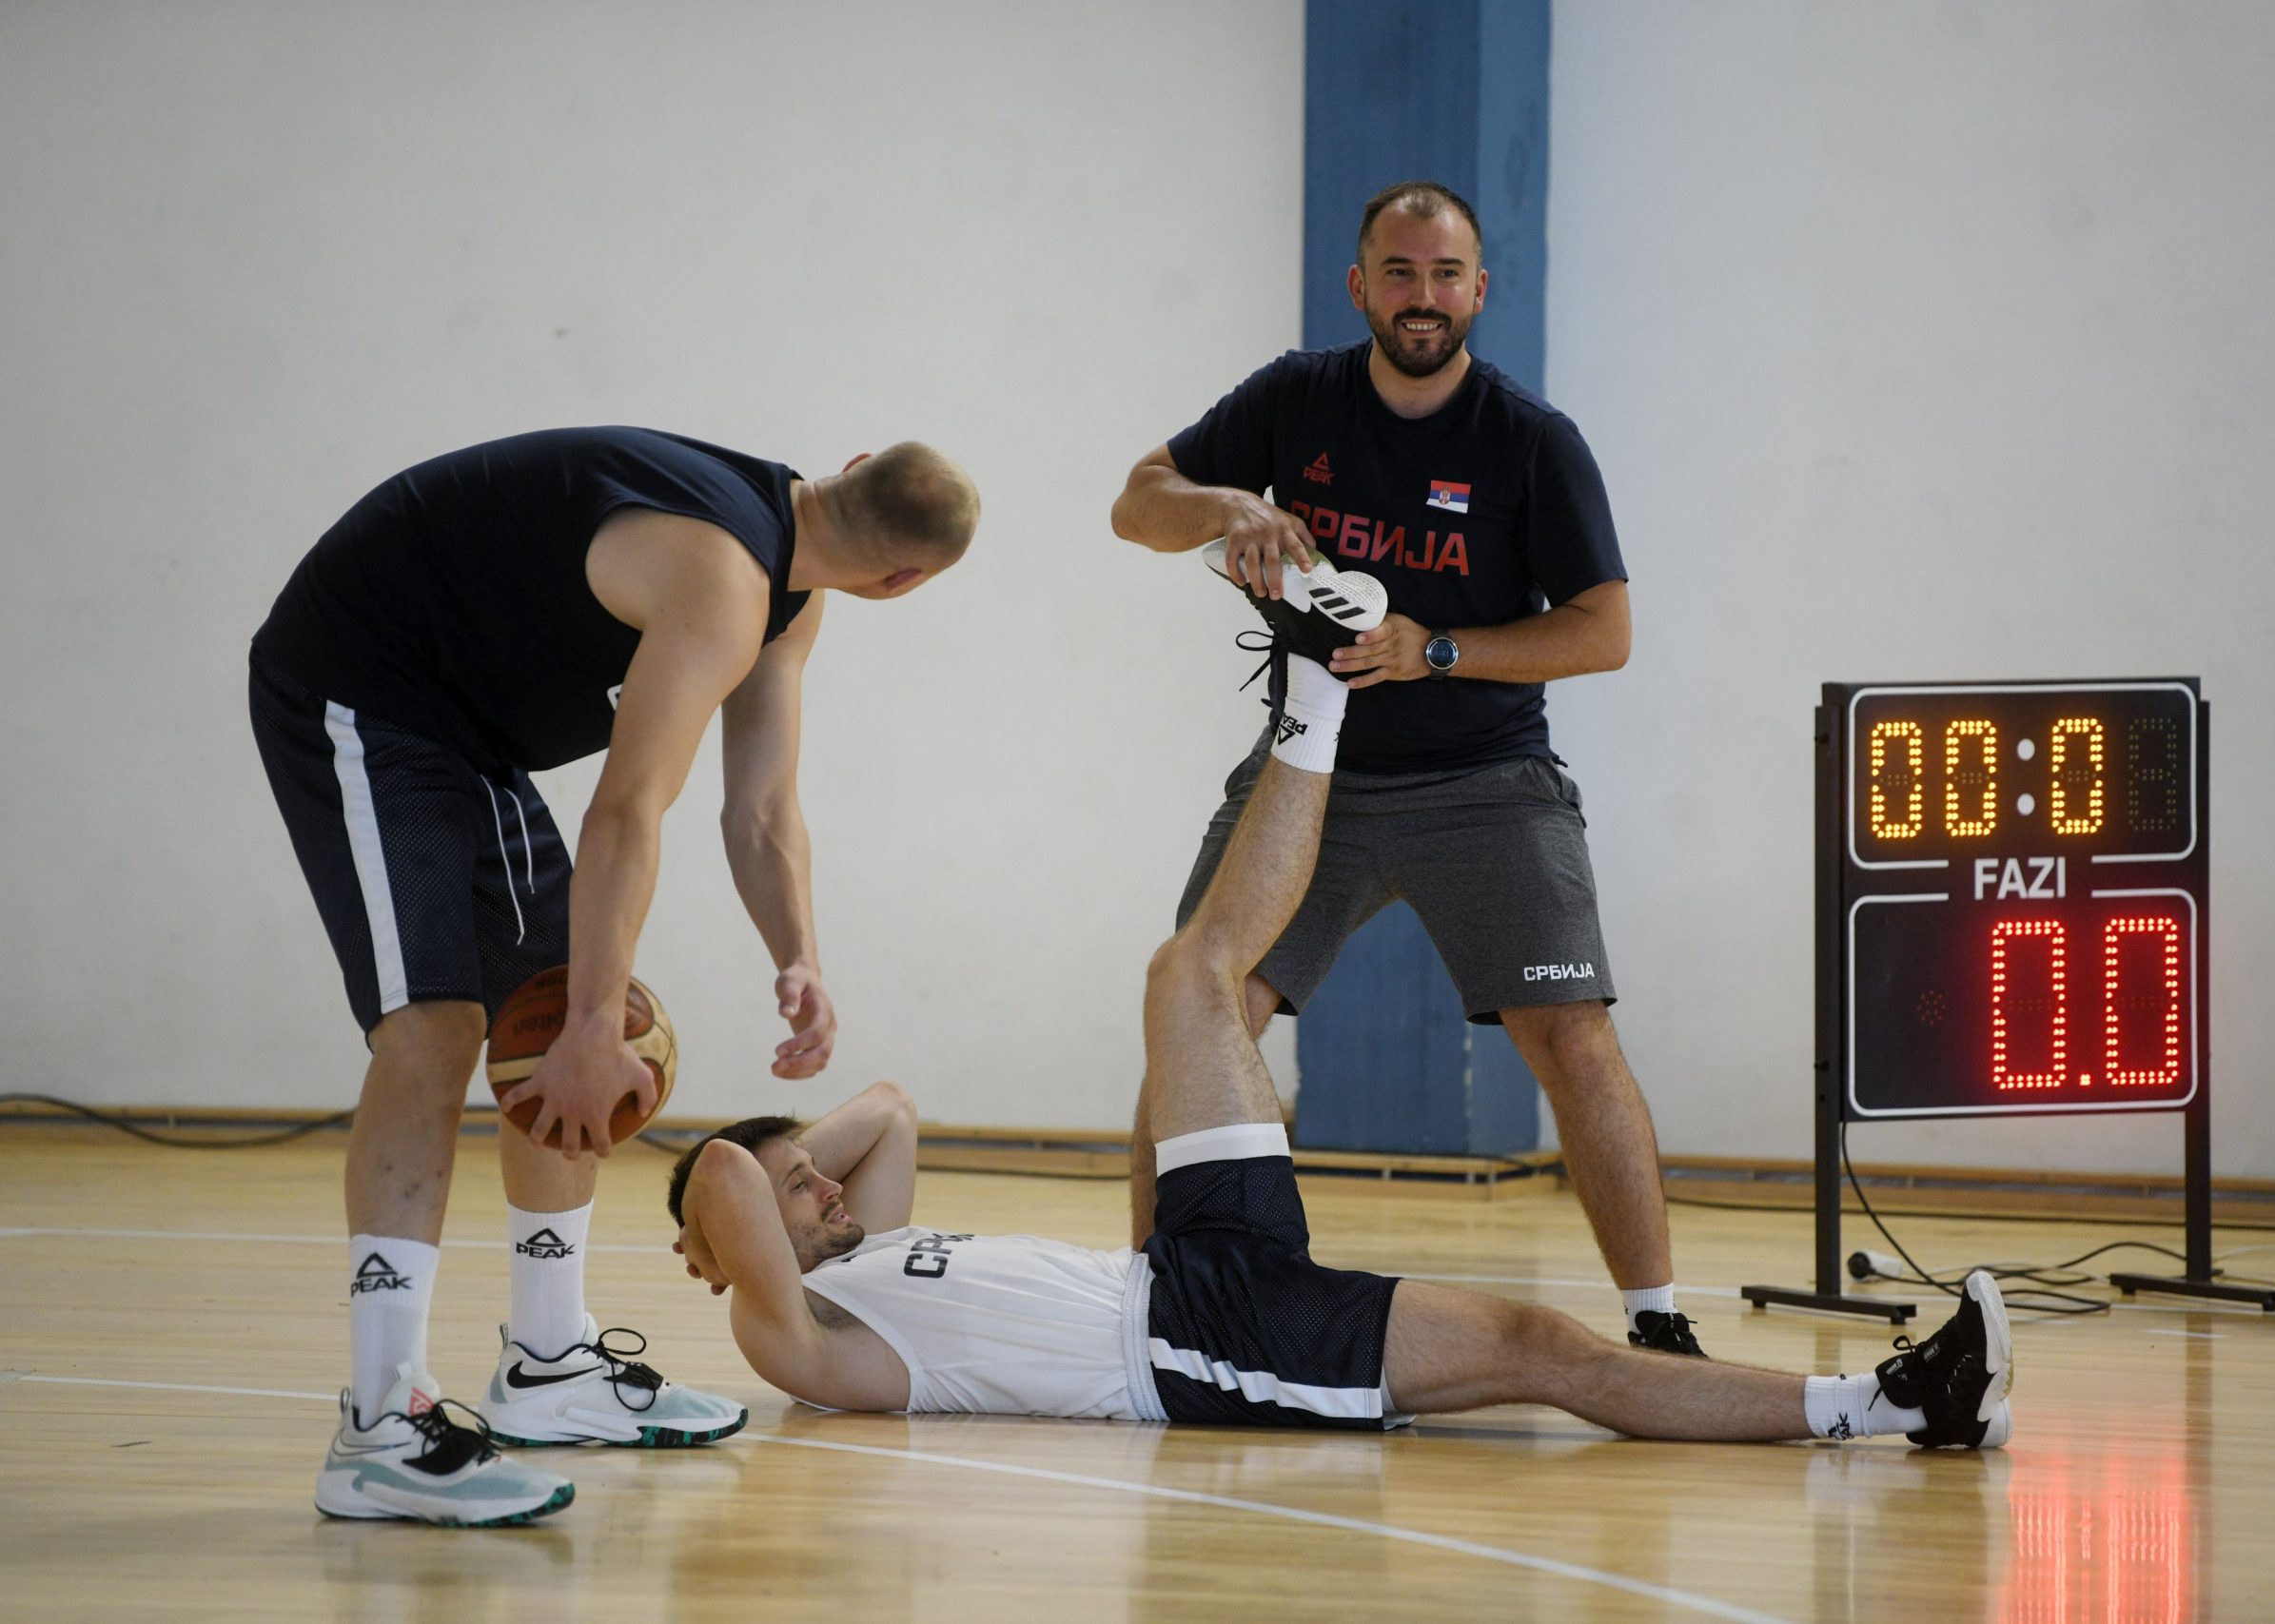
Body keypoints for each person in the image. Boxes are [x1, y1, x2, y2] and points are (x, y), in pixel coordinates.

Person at [667, 644, 2013, 1450]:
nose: (824, 1180)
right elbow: (727, 1173)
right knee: (1545, 1344)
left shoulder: (865, 1253)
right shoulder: (808, 1340)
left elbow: (889, 1108)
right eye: (799, 1192)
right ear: (737, 1255)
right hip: (1200, 1346)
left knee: (1190, 972)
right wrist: (732, 1214)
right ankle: (1889, 1405)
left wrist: (789, 1194)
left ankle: (1318, 691)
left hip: (1192, 1261)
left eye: (810, 1173)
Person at [249, 426, 979, 1525]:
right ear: (906, 583)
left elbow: (763, 808)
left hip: (462, 728)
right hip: (359, 685)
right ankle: (379, 1424)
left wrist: (799, 956)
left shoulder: (787, 583)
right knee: (440, 1027)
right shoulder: (722, 575)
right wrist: (595, 1018)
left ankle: (547, 1362)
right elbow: (626, 810)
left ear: (853, 463)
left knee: (538, 1013)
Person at [1106, 181, 1699, 1355]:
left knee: (1572, 1035)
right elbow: (1136, 504)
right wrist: (1228, 506)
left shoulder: (1531, 441)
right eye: (1398, 272)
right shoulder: (1294, 396)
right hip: (1305, 773)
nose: (1421, 296)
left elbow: (1603, 631)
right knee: (1201, 1004)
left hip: (1486, 779)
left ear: (1479, 289)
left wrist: (1433, 652)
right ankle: (1146, 1313)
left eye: (1443, 275)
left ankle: (1657, 1322)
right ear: (1359, 285)